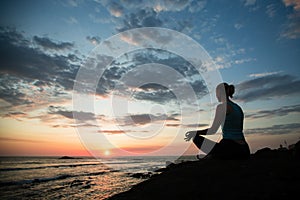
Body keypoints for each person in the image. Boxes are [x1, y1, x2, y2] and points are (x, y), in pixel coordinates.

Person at [185, 83, 250, 160]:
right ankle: (213, 155)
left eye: (216, 93)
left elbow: (213, 130)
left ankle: (212, 156)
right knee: (222, 145)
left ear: (220, 93)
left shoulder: (221, 107)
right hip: (244, 149)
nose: (216, 96)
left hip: (231, 148)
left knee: (196, 138)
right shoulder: (238, 107)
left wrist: (195, 132)